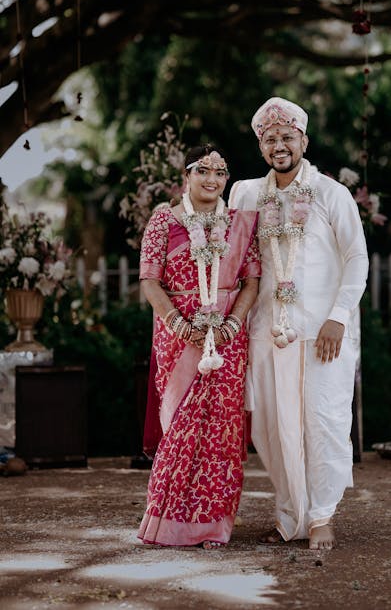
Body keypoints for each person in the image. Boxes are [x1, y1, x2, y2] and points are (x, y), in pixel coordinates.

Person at [229, 97, 369, 550]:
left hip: (321, 332)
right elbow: (234, 259)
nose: (279, 145)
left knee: (322, 421)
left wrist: (338, 317)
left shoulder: (331, 193)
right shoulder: (247, 194)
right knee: (272, 428)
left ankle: (322, 516)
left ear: (304, 141)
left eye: (288, 137)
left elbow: (357, 258)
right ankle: (290, 517)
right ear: (261, 146)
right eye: (270, 139)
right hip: (268, 330)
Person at [137, 144, 260, 549]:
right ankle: (167, 523)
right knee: (180, 427)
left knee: (222, 430)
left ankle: (213, 527)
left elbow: (252, 281)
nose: (212, 179)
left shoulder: (240, 223)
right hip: (178, 335)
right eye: (203, 170)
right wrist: (178, 323)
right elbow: (150, 281)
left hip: (226, 336)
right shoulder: (163, 220)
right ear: (186, 175)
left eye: (220, 171)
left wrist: (232, 324)